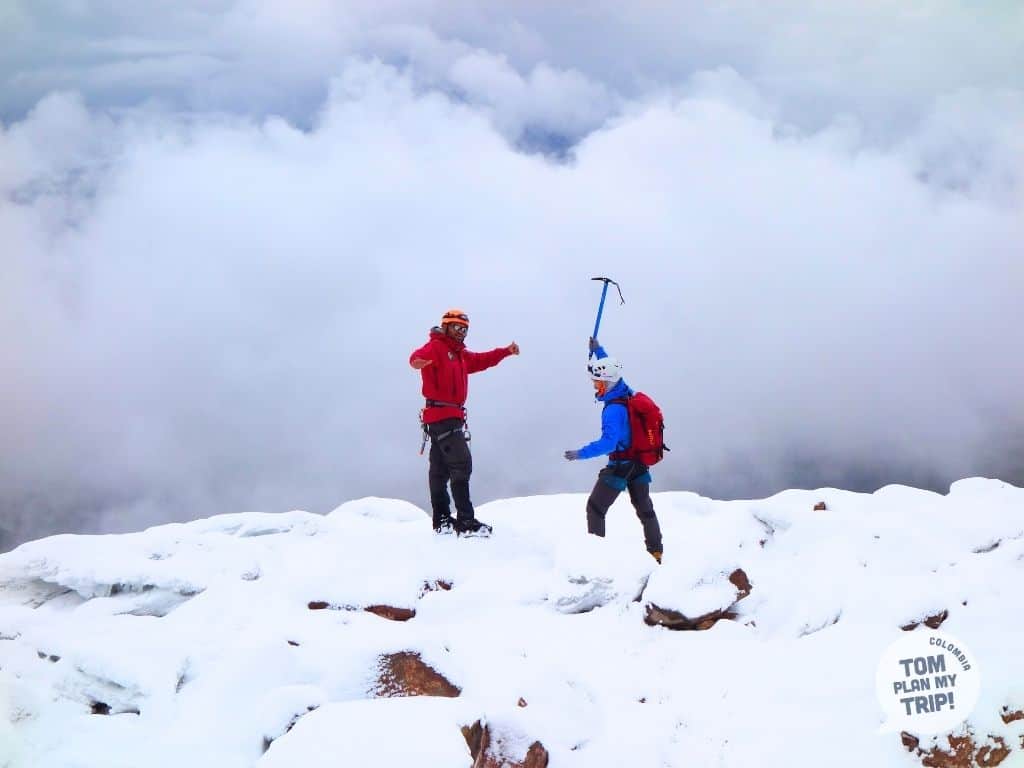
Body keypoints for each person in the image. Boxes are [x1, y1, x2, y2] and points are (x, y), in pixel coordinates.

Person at [410, 309, 519, 536]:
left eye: (465, 329)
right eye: (457, 328)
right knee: (461, 464)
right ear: (446, 326)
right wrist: (418, 362)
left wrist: (505, 352)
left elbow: (482, 360)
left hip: (448, 417)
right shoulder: (437, 347)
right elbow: (416, 356)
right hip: (443, 416)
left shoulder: (459, 354)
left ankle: (442, 521)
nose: (461, 333)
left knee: (440, 470)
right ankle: (466, 523)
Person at [564, 338, 663, 563]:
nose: (595, 386)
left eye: (597, 383)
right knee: (645, 510)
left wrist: (581, 453)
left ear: (607, 383)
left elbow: (609, 443)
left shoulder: (612, 411)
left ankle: (596, 560)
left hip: (621, 466)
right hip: (639, 464)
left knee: (595, 508)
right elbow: (609, 368)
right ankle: (656, 552)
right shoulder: (625, 390)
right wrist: (598, 351)